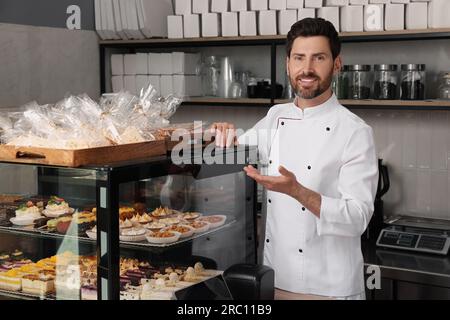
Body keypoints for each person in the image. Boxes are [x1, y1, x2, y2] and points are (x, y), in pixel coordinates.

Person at [211, 18, 378, 300]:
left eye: (319, 58)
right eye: (299, 58)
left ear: (337, 64)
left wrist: (298, 192)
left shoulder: (355, 132)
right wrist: (222, 132)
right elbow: (236, 152)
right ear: (288, 64)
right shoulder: (275, 117)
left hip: (330, 288)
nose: (307, 69)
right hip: (274, 281)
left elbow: (358, 218)